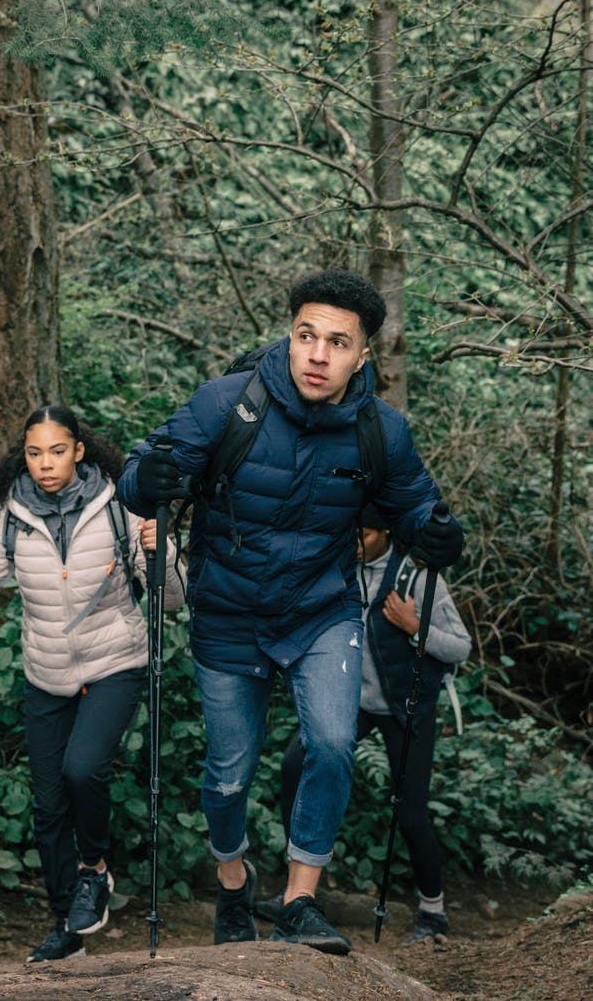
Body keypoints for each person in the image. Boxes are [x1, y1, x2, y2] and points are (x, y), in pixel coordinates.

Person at [116, 268, 464, 956]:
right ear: (289, 334)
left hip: (321, 611)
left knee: (332, 745)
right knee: (227, 773)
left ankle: (299, 899)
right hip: (228, 609)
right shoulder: (227, 403)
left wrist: (434, 529)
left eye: (337, 342)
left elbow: (414, 503)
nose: (316, 354)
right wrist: (144, 481)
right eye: (306, 335)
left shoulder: (379, 430)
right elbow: (144, 468)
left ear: (361, 356)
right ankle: (233, 880)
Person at [0, 404, 182, 965]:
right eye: (34, 453)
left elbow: (170, 599)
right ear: (22, 456)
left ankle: (95, 870)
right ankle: (66, 928)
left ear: (79, 451)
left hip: (114, 662)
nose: (45, 464)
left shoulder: (118, 505)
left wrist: (162, 551)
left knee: (83, 768)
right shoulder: (9, 515)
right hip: (46, 671)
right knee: (49, 804)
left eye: (57, 451)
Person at [253, 504, 472, 945]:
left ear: (387, 533)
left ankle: (434, 912)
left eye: (365, 534)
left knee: (410, 814)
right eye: (350, 531)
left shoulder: (418, 577)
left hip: (406, 706)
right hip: (353, 701)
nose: (355, 542)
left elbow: (462, 647)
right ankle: (300, 892)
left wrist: (417, 627)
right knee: (295, 765)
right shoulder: (335, 567)